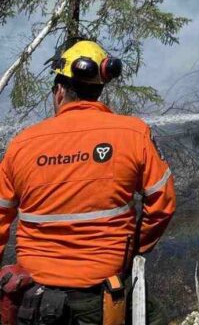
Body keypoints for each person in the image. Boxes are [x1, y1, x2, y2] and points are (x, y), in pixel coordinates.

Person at [0, 40, 176, 325]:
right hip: (102, 298)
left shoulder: (21, 145)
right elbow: (163, 205)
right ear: (100, 91)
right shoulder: (133, 134)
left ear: (59, 91)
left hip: (34, 303)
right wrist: (133, 252)